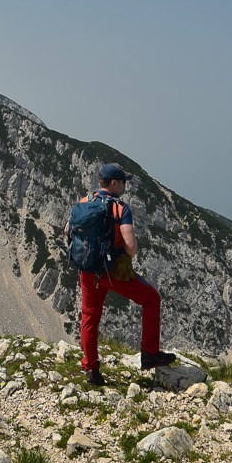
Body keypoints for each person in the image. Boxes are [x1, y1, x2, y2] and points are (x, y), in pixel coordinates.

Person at [69, 163, 176, 386]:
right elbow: (130, 247)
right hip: (112, 271)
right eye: (123, 182)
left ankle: (91, 369)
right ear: (115, 183)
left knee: (89, 317)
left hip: (88, 270)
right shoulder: (120, 208)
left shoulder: (83, 201)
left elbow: (68, 232)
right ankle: (149, 354)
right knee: (151, 299)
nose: (124, 186)